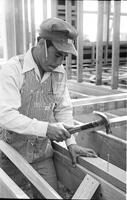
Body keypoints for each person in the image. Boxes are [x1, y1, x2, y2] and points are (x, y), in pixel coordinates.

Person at [0, 17, 97, 198]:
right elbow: (5, 115)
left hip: (41, 155)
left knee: (49, 195)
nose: (60, 62)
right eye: (57, 54)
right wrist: (45, 128)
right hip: (9, 154)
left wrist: (72, 144)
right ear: (42, 43)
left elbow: (63, 109)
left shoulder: (59, 73)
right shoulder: (13, 69)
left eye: (64, 57)